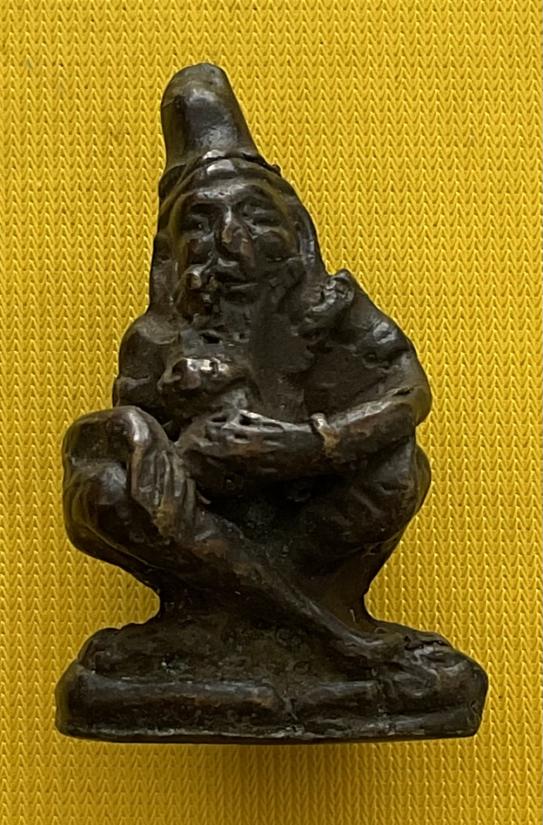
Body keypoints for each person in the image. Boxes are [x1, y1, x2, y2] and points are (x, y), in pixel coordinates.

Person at [63, 64, 432, 669]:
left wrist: (314, 444)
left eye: (255, 217)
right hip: (204, 526)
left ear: (296, 232)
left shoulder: (331, 307)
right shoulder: (155, 340)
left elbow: (408, 392)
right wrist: (155, 436)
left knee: (399, 465)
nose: (232, 241)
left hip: (314, 514)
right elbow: (149, 455)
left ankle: (287, 617)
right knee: (98, 489)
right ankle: (278, 626)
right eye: (201, 224)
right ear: (172, 253)